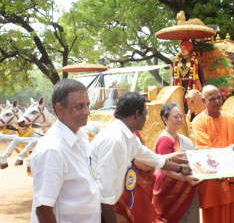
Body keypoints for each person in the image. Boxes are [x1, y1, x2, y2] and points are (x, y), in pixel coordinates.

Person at [90, 92, 192, 223]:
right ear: (137, 115)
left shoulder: (129, 137)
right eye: (145, 113)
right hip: (99, 209)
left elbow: (153, 159)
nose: (146, 118)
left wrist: (180, 169)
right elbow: (105, 193)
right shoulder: (114, 139)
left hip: (106, 205)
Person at [29, 79, 101, 223]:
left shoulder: (80, 138)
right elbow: (43, 209)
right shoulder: (53, 150)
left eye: (87, 105)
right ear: (60, 110)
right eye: (79, 106)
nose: (87, 112)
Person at [192, 85, 234, 223]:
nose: (217, 102)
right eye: (212, 99)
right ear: (203, 101)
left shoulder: (233, 119)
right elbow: (206, 149)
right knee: (213, 216)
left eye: (218, 98)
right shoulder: (198, 122)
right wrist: (224, 164)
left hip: (231, 177)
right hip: (213, 177)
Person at [153, 102, 201, 223]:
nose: (179, 119)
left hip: (184, 186)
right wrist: (185, 179)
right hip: (169, 190)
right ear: (165, 119)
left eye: (180, 116)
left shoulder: (180, 138)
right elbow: (165, 169)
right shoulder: (164, 140)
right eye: (175, 117)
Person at [173, 40, 206, 113]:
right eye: (181, 49)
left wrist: (204, 86)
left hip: (191, 86)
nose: (182, 51)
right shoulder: (176, 62)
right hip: (180, 86)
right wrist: (173, 87)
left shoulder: (196, 62)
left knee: (191, 103)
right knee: (180, 104)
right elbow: (174, 76)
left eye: (184, 48)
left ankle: (191, 120)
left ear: (189, 48)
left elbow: (201, 76)